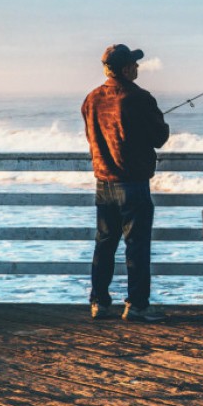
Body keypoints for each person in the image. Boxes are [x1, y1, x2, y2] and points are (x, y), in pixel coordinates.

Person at [82, 43, 170, 321]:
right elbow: (159, 137)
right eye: (134, 63)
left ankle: (99, 302)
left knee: (104, 244)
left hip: (103, 183)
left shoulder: (92, 99)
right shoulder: (138, 98)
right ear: (124, 69)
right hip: (132, 183)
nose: (138, 66)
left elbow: (92, 137)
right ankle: (137, 305)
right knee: (137, 245)